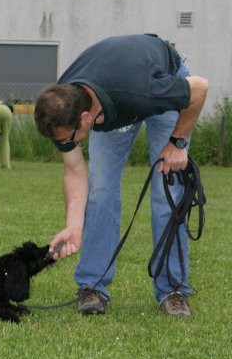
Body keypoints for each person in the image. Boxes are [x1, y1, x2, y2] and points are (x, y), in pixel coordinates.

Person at [34, 34, 208, 318]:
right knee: (101, 190)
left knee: (167, 192)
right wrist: (73, 225)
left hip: (157, 78)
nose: (66, 143)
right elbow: (75, 171)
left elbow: (200, 88)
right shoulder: (60, 109)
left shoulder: (142, 90)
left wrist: (178, 142)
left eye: (70, 139)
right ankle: (93, 287)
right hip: (113, 97)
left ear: (86, 119)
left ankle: (173, 290)